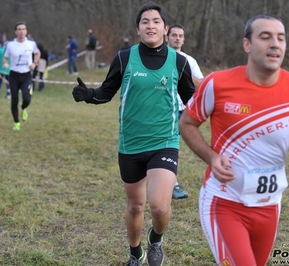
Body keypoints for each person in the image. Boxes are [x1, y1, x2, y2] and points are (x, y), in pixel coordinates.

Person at [179, 14, 289, 266]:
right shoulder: (217, 83)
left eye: (280, 38)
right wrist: (211, 156)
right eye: (265, 37)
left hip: (270, 206)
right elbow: (187, 122)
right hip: (224, 202)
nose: (275, 43)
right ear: (247, 45)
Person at [72, 2, 195, 265]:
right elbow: (107, 91)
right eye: (145, 22)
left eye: (155, 21)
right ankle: (135, 252)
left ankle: (156, 240)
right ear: (138, 29)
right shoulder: (125, 57)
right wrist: (89, 95)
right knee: (136, 206)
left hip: (165, 141)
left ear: (166, 28)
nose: (150, 25)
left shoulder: (180, 62)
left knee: (160, 207)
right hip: (130, 144)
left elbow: (192, 101)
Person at [166, 23, 204, 199]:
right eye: (174, 35)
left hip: (182, 111)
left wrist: (184, 73)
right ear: (167, 37)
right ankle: (169, 184)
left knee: (172, 147)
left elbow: (202, 87)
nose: (177, 38)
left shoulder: (189, 61)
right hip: (161, 109)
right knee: (166, 146)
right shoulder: (158, 57)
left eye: (180, 36)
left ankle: (169, 183)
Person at [3, 21, 41, 131]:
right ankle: (16, 122)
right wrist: (5, 63)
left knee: (27, 98)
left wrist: (35, 63)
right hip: (14, 75)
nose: (21, 31)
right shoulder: (10, 45)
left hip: (26, 75)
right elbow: (5, 58)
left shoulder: (31, 44)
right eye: (19, 29)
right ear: (15, 32)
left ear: (26, 31)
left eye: (23, 29)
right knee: (14, 100)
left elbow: (37, 53)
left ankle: (23, 108)